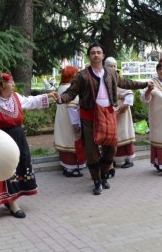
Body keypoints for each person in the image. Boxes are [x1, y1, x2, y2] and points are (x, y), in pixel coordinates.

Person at [58, 42, 149, 195]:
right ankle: (96, 181)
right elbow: (71, 93)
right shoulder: (82, 75)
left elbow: (126, 82)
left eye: (98, 52)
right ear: (89, 56)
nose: (96, 55)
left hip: (108, 114)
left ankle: (104, 174)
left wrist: (145, 84)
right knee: (91, 151)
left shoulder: (111, 73)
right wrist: (60, 99)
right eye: (93, 52)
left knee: (111, 148)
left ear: (103, 55)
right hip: (89, 116)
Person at [0, 72, 58, 217]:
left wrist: (48, 96)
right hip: (2, 140)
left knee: (20, 165)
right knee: (7, 168)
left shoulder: (16, 97)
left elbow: (30, 101)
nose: (13, 84)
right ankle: (12, 203)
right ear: (2, 86)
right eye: (11, 82)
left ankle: (12, 197)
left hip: (18, 137)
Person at [104, 57, 136, 170]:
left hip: (122, 114)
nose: (112, 68)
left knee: (125, 134)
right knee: (112, 138)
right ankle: (112, 159)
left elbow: (130, 93)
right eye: (110, 66)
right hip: (109, 113)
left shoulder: (119, 79)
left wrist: (125, 105)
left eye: (114, 66)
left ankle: (128, 159)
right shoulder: (103, 80)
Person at [54, 66, 86, 177]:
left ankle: (66, 166)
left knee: (65, 142)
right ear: (72, 76)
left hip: (62, 120)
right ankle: (71, 169)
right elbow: (72, 107)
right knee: (72, 143)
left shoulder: (61, 87)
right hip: (69, 121)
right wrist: (76, 124)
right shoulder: (70, 88)